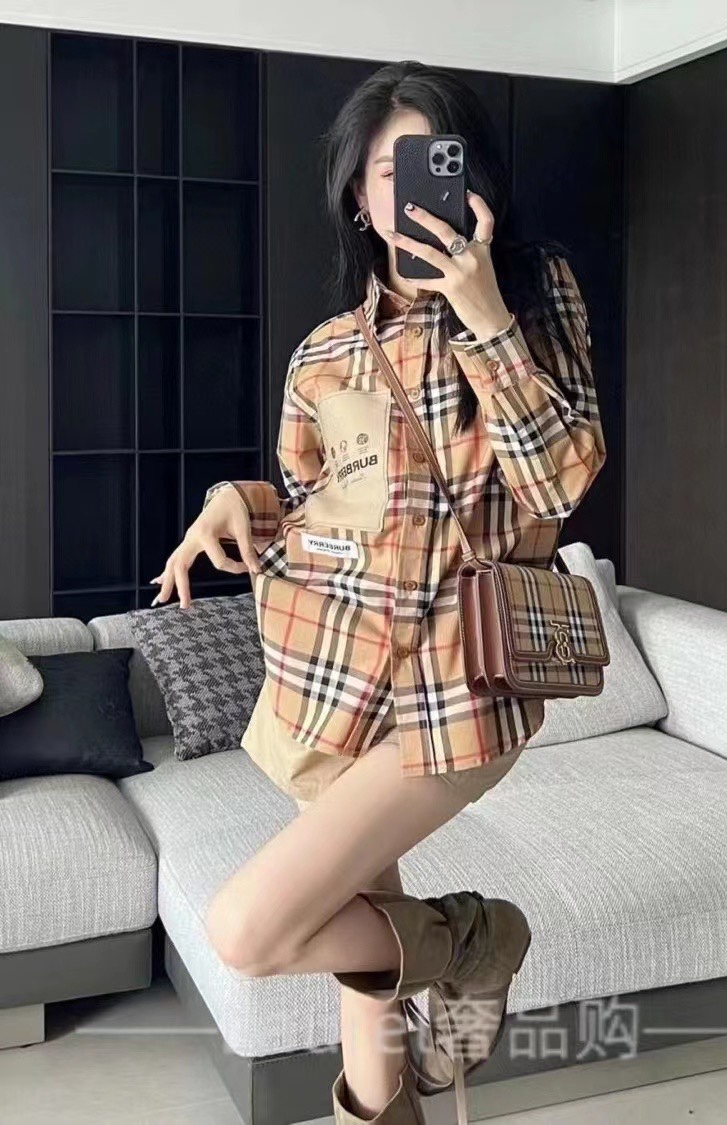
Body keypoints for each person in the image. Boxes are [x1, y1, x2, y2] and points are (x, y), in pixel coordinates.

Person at [149, 58, 605, 1125]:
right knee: (366, 960)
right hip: (338, 683)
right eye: (388, 171)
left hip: (463, 686)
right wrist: (234, 501)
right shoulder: (325, 354)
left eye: (432, 163)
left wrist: (486, 320)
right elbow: (326, 509)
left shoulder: (536, 293)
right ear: (359, 194)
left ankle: (481, 938)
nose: (410, 189)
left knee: (248, 930)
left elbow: (559, 484)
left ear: (472, 177)